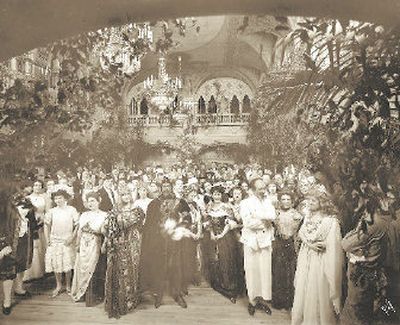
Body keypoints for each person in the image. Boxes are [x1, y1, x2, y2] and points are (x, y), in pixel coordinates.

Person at [340, 190, 396, 325]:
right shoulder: (389, 220)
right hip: (377, 272)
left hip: (363, 273)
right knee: (373, 307)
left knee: (357, 309)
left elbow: (345, 244)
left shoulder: (374, 224)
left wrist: (359, 227)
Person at [291, 187, 343, 325]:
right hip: (306, 256)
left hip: (320, 259)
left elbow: (331, 244)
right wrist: (310, 244)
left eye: (314, 200)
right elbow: (301, 233)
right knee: (304, 285)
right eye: (309, 200)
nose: (310, 202)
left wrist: (316, 246)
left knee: (317, 286)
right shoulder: (308, 216)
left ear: (323, 202)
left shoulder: (331, 221)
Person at [140, 179, 191, 309]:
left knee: (176, 267)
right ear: (160, 188)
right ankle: (159, 295)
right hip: (159, 242)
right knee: (159, 267)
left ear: (172, 187)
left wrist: (178, 229)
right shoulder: (153, 204)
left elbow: (188, 220)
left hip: (176, 241)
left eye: (168, 186)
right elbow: (148, 224)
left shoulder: (181, 203)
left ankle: (177, 294)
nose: (166, 188)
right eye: (164, 186)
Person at [104, 189, 145, 318]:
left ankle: (132, 298)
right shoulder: (115, 210)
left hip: (133, 241)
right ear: (119, 197)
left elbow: (131, 223)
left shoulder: (137, 209)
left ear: (131, 195)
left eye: (127, 193)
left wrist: (115, 220)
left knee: (133, 268)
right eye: (123, 194)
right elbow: (107, 227)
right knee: (121, 270)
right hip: (119, 242)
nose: (125, 196)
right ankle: (123, 299)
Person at [239, 178, 276, 316]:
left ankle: (263, 300)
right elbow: (248, 223)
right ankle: (252, 301)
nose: (263, 190)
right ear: (253, 189)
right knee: (251, 271)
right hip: (251, 241)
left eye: (264, 187)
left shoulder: (268, 201)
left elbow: (273, 216)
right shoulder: (245, 203)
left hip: (265, 240)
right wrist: (265, 222)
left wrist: (259, 217)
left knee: (265, 271)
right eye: (260, 188)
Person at [203, 185, 242, 303]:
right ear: (212, 195)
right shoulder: (209, 207)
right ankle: (218, 284)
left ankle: (229, 288)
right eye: (214, 194)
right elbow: (207, 222)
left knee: (226, 260)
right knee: (215, 260)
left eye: (219, 194)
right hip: (212, 237)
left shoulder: (226, 207)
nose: (217, 196)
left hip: (225, 237)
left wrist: (221, 235)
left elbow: (230, 223)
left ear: (222, 195)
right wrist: (211, 234)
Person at [0, 188, 36, 315]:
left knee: (21, 264)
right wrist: (3, 244)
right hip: (8, 243)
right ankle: (7, 302)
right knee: (7, 271)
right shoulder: (4, 208)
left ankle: (19, 289)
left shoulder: (26, 204)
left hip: (23, 240)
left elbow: (32, 222)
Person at [71, 192, 107, 306]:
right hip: (83, 244)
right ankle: (82, 293)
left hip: (95, 243)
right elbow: (80, 231)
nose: (90, 203)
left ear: (98, 201)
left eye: (93, 201)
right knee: (81, 267)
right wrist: (77, 244)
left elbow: (107, 233)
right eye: (88, 201)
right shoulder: (84, 215)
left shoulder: (105, 215)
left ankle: (94, 296)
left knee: (95, 268)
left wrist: (104, 245)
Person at [44, 189, 79, 297]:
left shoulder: (71, 210)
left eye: (60, 198)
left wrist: (72, 238)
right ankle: (58, 285)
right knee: (56, 263)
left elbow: (77, 225)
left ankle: (68, 285)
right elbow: (46, 225)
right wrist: (47, 239)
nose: (58, 200)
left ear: (65, 198)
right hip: (55, 240)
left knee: (67, 264)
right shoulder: (52, 211)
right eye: (56, 198)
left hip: (67, 240)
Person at [272, 191, 302, 310]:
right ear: (280, 201)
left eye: (288, 199)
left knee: (290, 271)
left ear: (292, 201)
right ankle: (279, 301)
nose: (285, 202)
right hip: (279, 244)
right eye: (283, 199)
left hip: (291, 244)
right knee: (278, 271)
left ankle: (289, 301)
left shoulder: (297, 215)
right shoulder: (276, 214)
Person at [24, 180, 49, 281]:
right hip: (30, 222)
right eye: (35, 185)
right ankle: (30, 272)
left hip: (41, 222)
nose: (37, 187)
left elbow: (47, 211)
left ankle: (41, 270)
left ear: (42, 187)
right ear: (32, 187)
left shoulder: (44, 198)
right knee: (32, 244)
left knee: (41, 245)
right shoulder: (28, 198)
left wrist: (43, 219)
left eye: (39, 185)